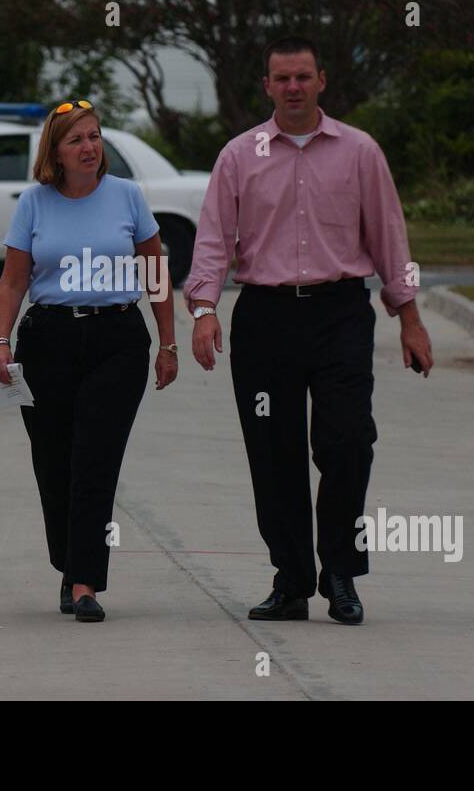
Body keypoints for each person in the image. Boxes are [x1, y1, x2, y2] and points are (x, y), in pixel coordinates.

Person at [183, 36, 434, 626]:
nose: (293, 87)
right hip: (265, 320)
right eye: (281, 79)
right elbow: (214, 239)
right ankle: (292, 580)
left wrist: (410, 319)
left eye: (302, 77)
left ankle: (340, 572)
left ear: (322, 80)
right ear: (267, 87)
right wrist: (203, 310)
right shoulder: (239, 156)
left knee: (348, 443)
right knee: (274, 453)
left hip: (340, 314)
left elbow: (389, 238)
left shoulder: (360, 152)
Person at [0, 100, 178, 622]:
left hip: (117, 338)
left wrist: (167, 343)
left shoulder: (128, 197)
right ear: (55, 151)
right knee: (54, 465)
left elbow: (155, 270)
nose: (89, 147)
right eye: (76, 140)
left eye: (94, 137)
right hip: (47, 339)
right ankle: (69, 565)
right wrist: (0, 342)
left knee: (95, 460)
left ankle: (85, 583)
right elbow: (12, 281)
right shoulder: (34, 202)